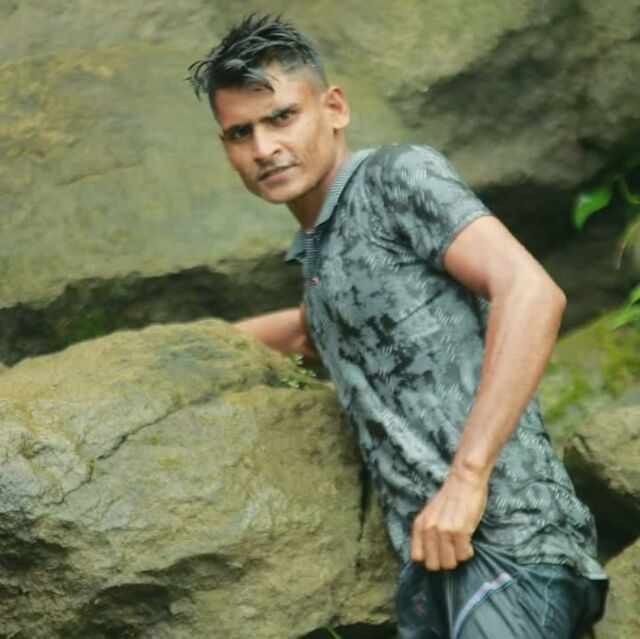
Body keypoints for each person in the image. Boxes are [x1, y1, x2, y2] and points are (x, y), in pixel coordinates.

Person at [187, 14, 608, 638]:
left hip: (510, 547)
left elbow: (530, 291)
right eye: (240, 132)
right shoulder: (320, 261)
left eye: (282, 117)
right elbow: (309, 331)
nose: (264, 147)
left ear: (334, 108)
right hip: (433, 572)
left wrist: (468, 478)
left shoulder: (394, 175)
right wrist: (180, 350)